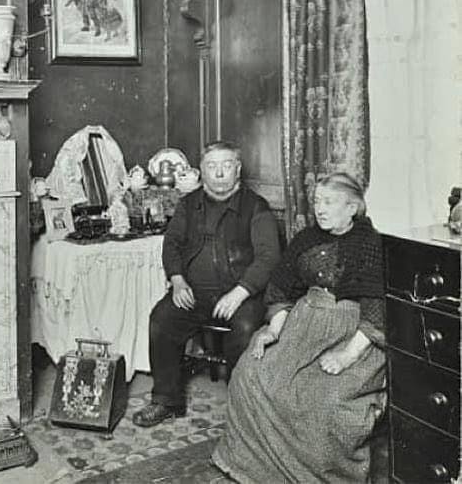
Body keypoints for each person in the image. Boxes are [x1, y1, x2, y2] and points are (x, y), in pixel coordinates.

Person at [212, 172, 386, 483]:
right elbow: (281, 287)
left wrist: (346, 356)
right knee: (251, 374)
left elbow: (375, 309)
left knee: (324, 403)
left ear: (352, 207)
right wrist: (274, 330)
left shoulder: (370, 243)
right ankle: (257, 468)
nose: (320, 208)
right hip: (303, 323)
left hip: (352, 334)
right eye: (317, 201)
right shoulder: (306, 238)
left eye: (329, 202)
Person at [132, 140, 281, 427]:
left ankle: (244, 409)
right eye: (212, 167)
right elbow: (171, 244)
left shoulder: (255, 207)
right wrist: (177, 280)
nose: (220, 173)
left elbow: (269, 257)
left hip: (241, 294)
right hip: (195, 293)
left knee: (246, 329)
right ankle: (166, 400)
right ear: (202, 171)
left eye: (227, 165)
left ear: (237, 169)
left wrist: (240, 293)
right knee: (162, 320)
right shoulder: (189, 204)